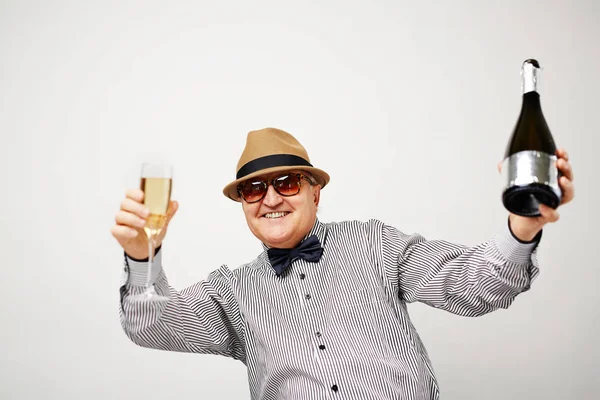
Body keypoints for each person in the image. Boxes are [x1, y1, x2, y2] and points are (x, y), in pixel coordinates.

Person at [112, 127, 575, 400]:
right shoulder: (233, 293)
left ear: (316, 190)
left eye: (288, 182)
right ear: (243, 204)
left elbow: (478, 286)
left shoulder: (374, 244)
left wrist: (522, 225)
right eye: (254, 189)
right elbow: (152, 326)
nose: (270, 198)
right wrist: (141, 254)